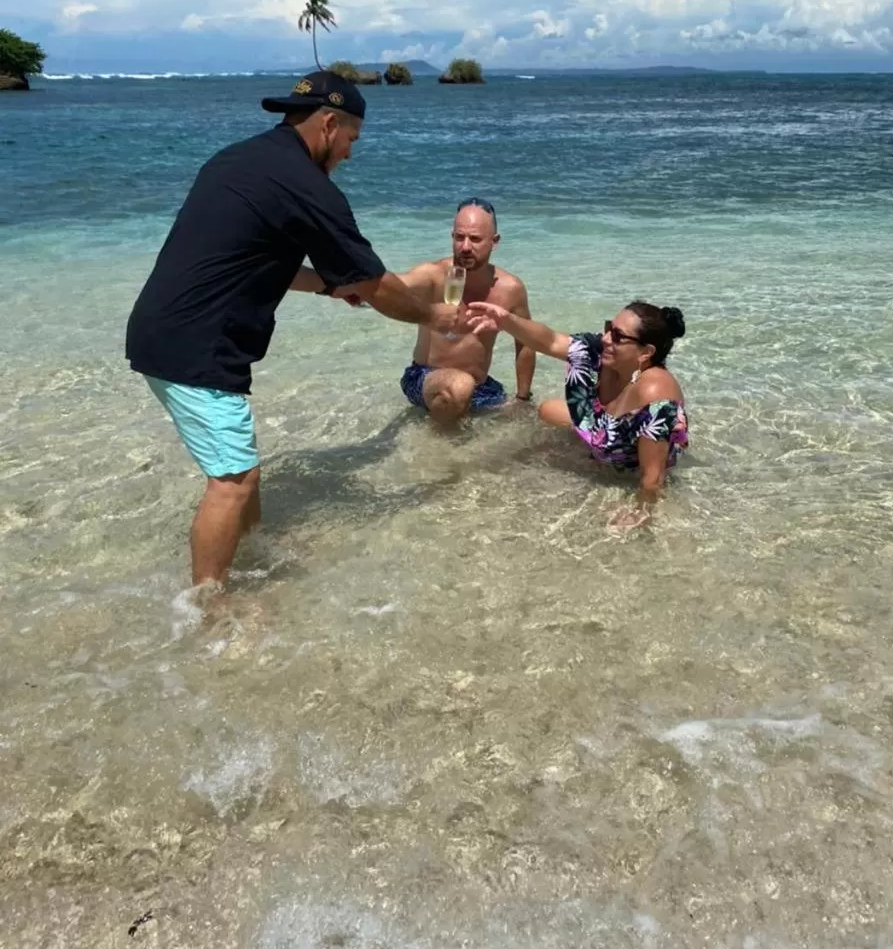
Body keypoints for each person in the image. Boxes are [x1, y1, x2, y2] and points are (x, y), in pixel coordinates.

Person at [126, 71, 462, 590]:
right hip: (197, 344)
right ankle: (209, 610)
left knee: (239, 465)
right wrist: (432, 316)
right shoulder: (307, 186)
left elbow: (252, 259)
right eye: (351, 140)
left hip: (163, 329)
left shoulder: (238, 159)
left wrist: (331, 287)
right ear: (329, 125)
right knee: (234, 481)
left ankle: (252, 547)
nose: (349, 154)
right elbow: (377, 285)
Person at [465, 298, 689, 525]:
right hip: (605, 427)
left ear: (645, 353)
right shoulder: (603, 353)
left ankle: (602, 452)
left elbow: (653, 479)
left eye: (618, 336)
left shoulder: (657, 397)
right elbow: (549, 340)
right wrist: (506, 321)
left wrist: (639, 511)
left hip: (635, 456)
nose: (605, 338)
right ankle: (596, 446)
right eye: (609, 328)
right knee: (546, 411)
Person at [396, 197, 535, 423]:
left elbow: (526, 341)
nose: (466, 247)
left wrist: (522, 397)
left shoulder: (511, 289)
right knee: (460, 387)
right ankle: (440, 451)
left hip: (480, 387)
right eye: (459, 237)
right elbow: (396, 284)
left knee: (533, 424)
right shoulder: (433, 275)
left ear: (495, 241)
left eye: (475, 239)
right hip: (424, 378)